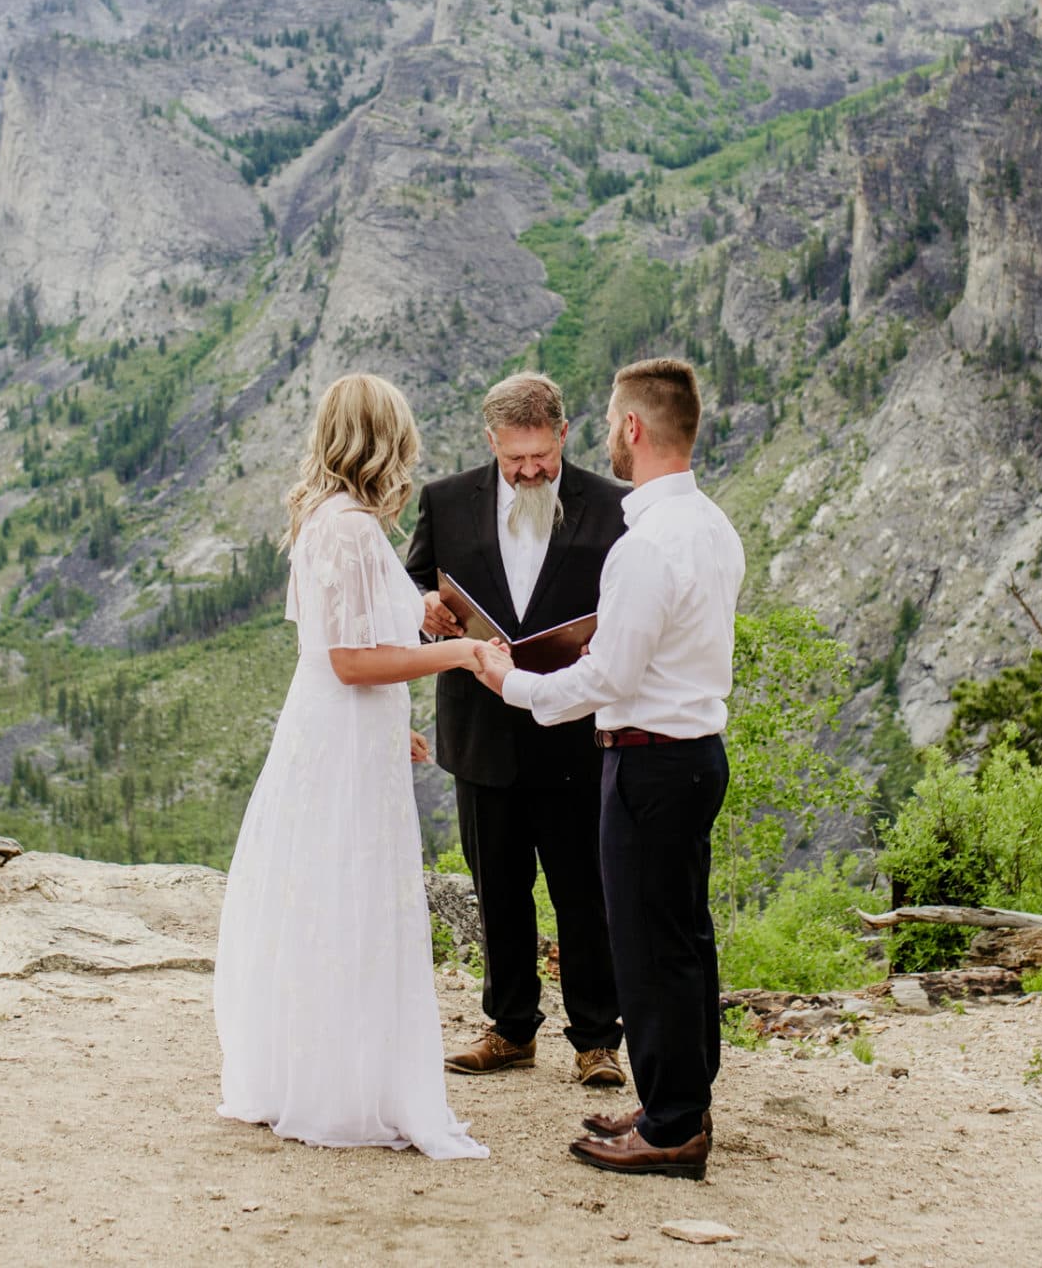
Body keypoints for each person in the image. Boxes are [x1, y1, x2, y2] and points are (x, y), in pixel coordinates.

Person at [471, 357, 743, 1181]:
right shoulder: (713, 525)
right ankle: (681, 1097)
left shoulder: (645, 544)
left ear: (632, 428)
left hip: (648, 762)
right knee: (684, 936)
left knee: (648, 947)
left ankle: (670, 1129)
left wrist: (508, 681)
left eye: (609, 426)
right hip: (696, 754)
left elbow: (608, 680)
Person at [214, 373, 489, 1160]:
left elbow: (341, 655)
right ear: (384, 442)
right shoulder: (353, 530)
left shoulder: (325, 519)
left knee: (323, 891)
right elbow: (350, 659)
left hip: (337, 730)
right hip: (343, 729)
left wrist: (390, 717)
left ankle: (311, 1067)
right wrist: (460, 652)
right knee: (351, 895)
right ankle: (344, 1086)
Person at [403, 372, 628, 1090]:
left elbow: (635, 603)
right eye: (514, 459)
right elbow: (410, 585)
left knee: (584, 892)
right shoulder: (444, 501)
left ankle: (597, 1040)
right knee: (497, 887)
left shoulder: (616, 507)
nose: (530, 471)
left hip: (576, 732)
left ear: (563, 433)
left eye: (541, 456)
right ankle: (509, 1029)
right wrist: (426, 613)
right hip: (480, 732)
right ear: (491, 441)